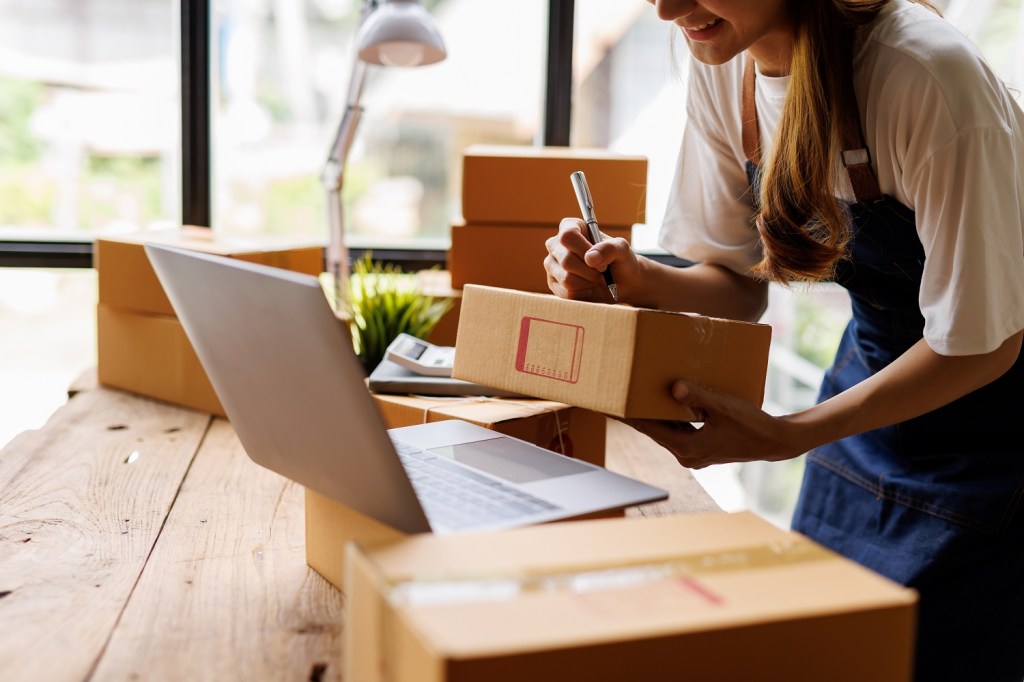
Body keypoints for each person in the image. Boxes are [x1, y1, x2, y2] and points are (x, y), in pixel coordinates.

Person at [544, 1, 1024, 680]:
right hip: (873, 384)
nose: (666, 8)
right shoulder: (722, 58)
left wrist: (792, 432)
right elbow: (738, 285)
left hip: (997, 436)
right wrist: (637, 278)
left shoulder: (926, 79)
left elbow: (982, 343)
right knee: (821, 651)